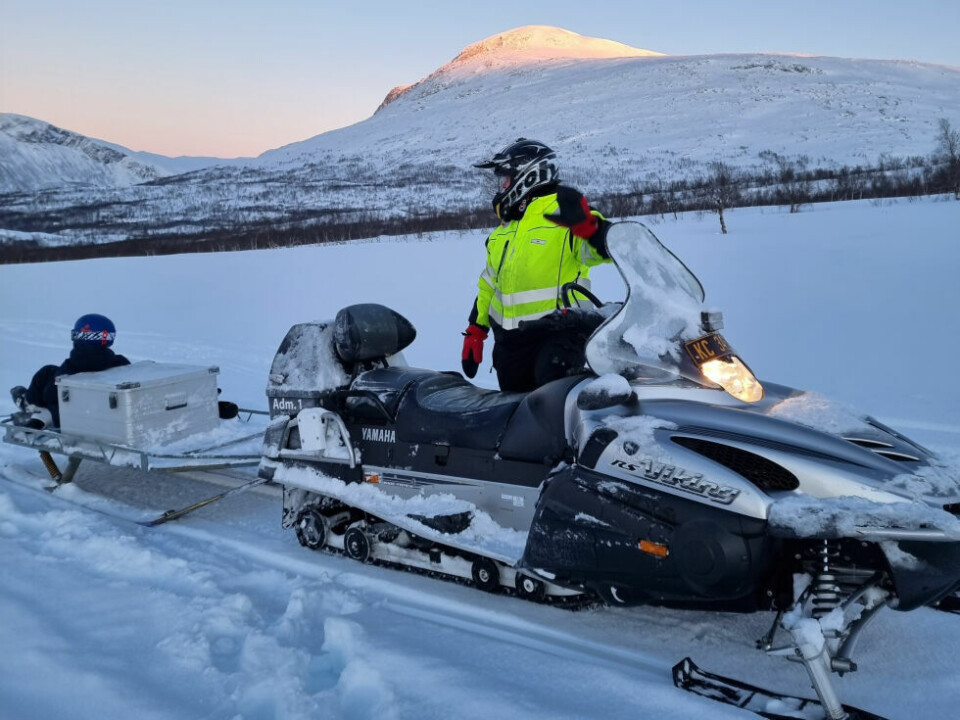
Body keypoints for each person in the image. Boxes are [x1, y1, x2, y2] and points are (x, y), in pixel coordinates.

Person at [461, 139, 612, 392]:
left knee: (551, 420)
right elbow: (488, 284)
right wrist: (476, 329)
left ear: (528, 175)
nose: (503, 186)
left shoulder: (565, 212)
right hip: (509, 347)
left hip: (556, 340)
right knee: (515, 424)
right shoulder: (504, 229)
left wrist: (594, 230)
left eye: (507, 179)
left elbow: (600, 250)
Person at [10, 313, 130, 429]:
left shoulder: (71, 368)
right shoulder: (121, 363)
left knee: (46, 374)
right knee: (50, 370)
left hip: (73, 413)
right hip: (106, 408)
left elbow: (51, 395)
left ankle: (30, 402)